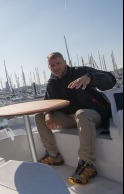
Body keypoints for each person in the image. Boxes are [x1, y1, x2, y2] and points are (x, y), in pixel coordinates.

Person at [35, 52, 116, 185]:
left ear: (65, 62)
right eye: (52, 65)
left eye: (58, 63)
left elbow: (110, 79)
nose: (55, 67)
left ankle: (87, 164)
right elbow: (47, 103)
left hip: (93, 115)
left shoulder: (81, 72)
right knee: (39, 116)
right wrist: (48, 114)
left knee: (81, 113)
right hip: (72, 119)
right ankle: (53, 155)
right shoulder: (52, 83)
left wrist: (90, 78)